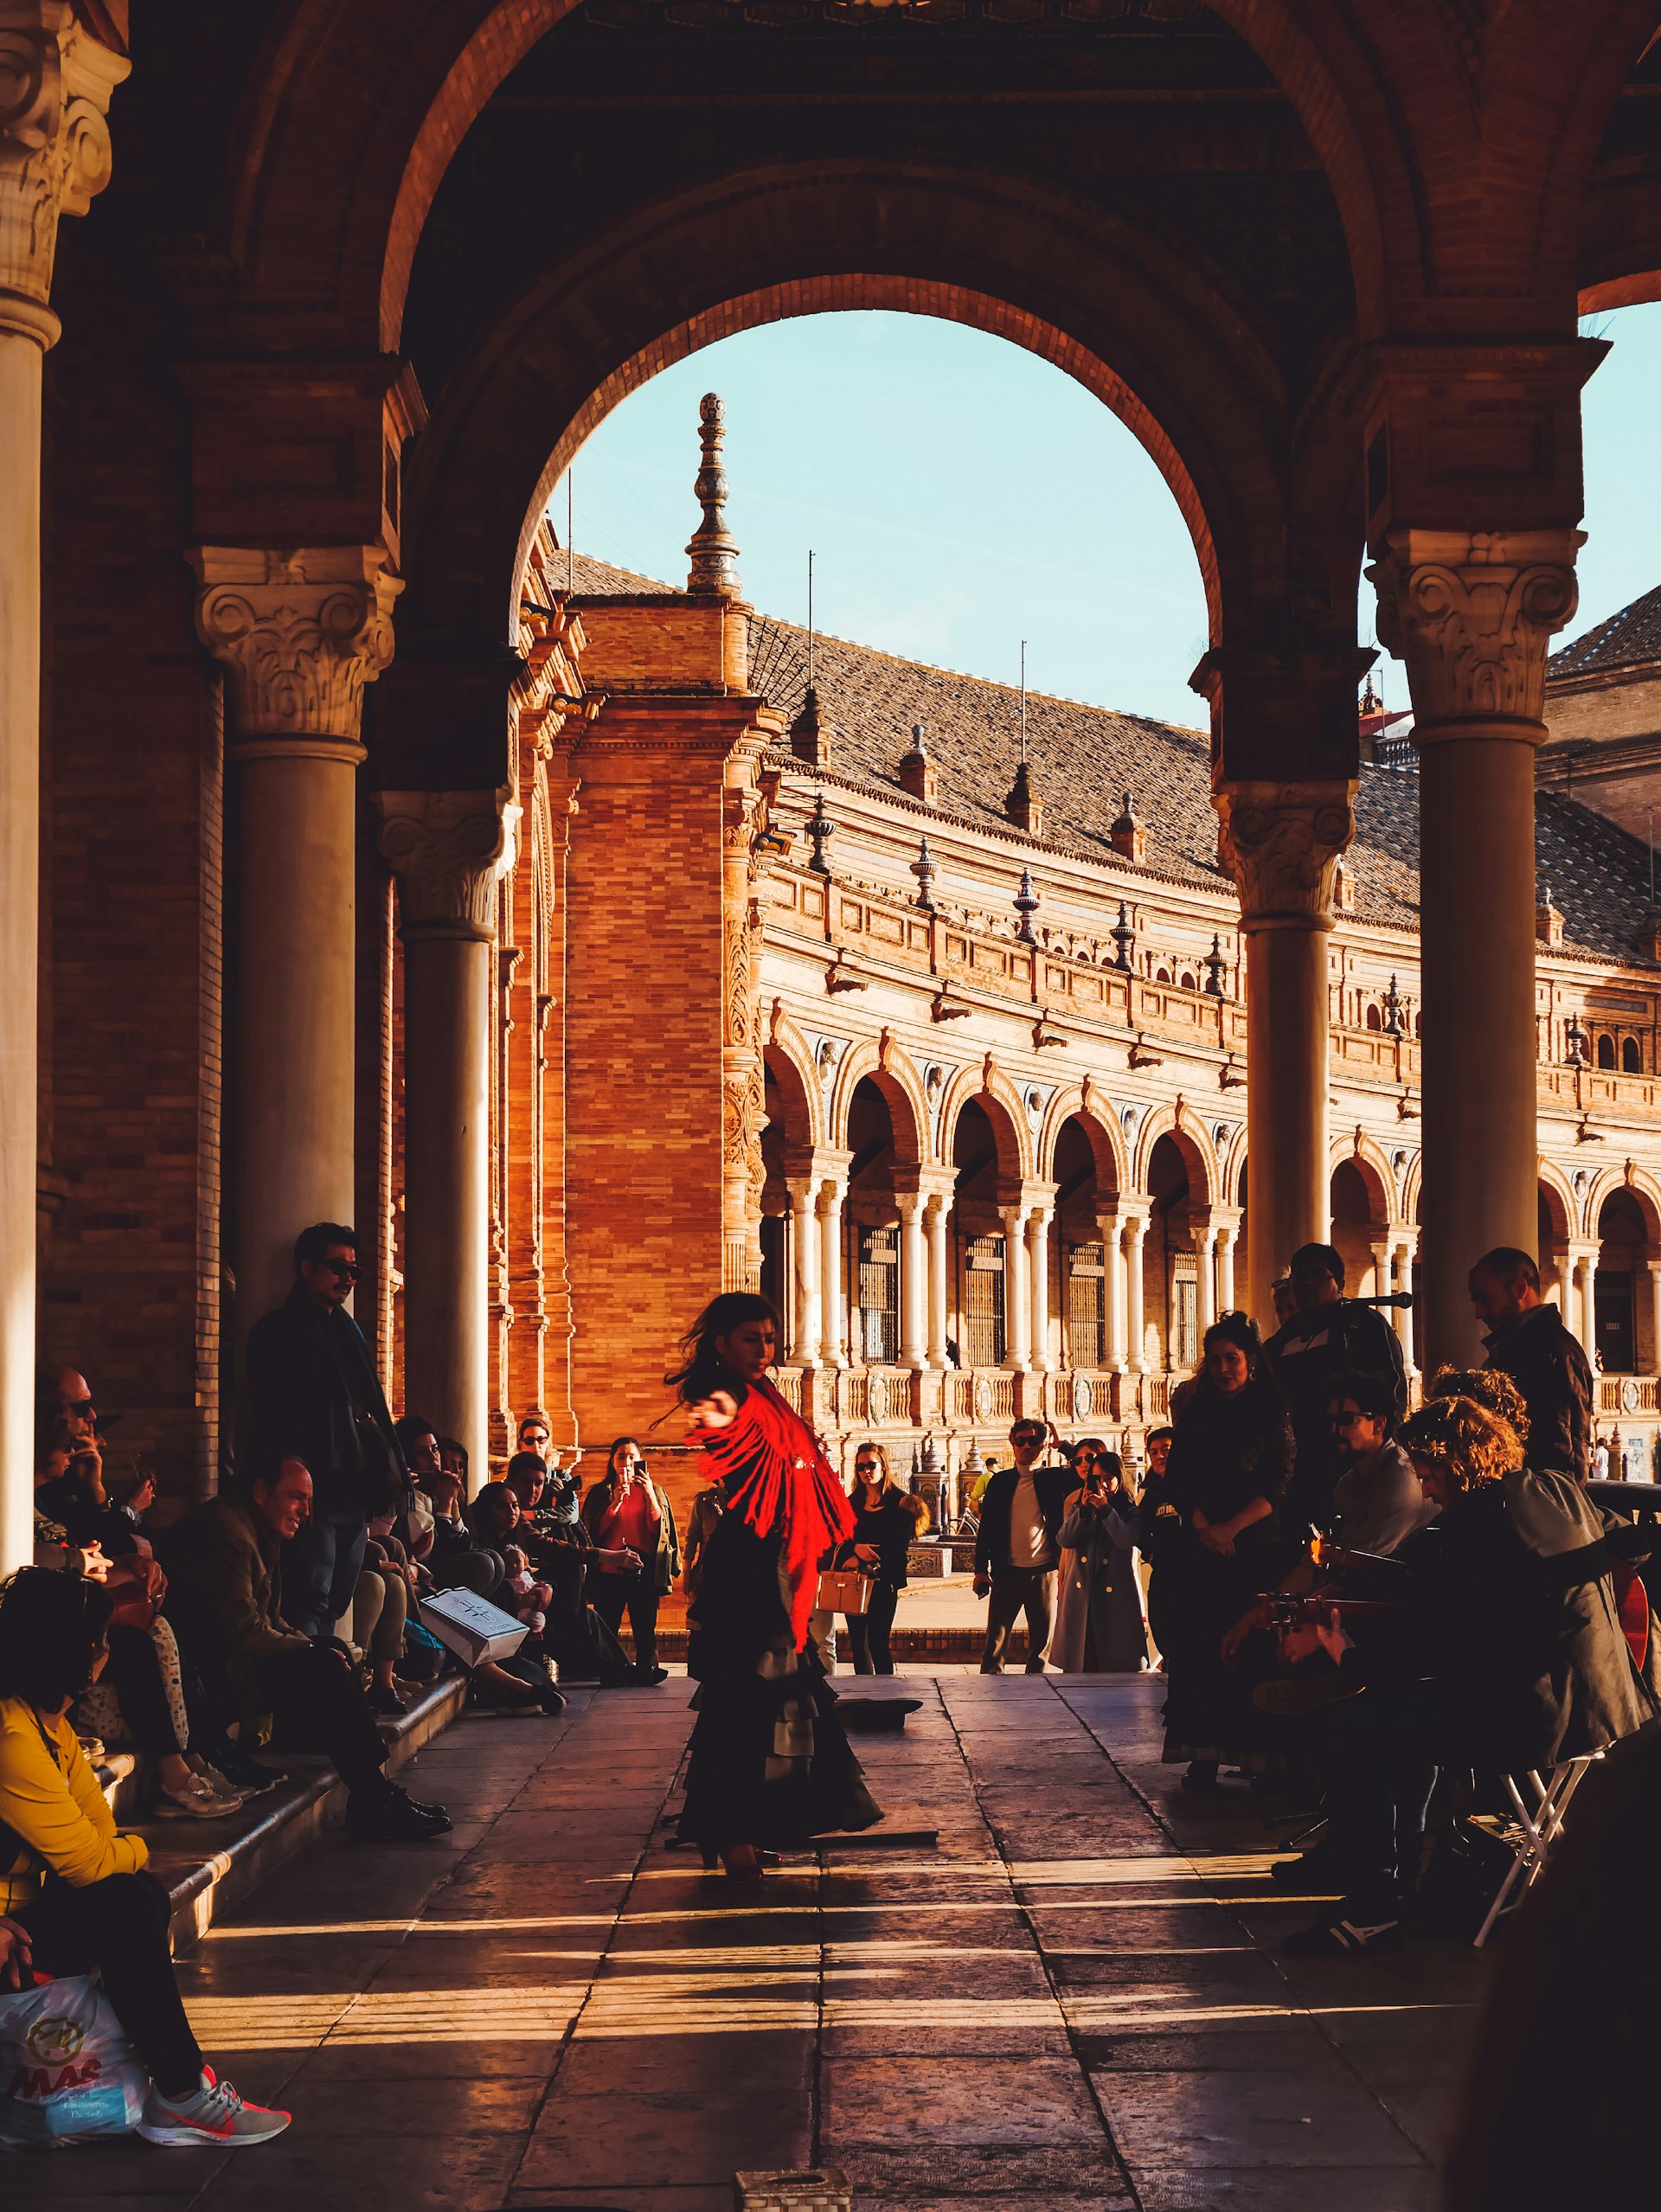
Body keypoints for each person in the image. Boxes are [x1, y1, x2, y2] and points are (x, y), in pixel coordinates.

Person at [0, 1568, 291, 2145]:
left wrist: (122, 1852)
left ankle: (176, 2086)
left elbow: (97, 1828)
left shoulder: (46, 1726)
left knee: (137, 1897)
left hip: (18, 1926)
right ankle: (183, 2092)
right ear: (72, 1652)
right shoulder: (10, 1736)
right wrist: (136, 1849)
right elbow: (89, 1858)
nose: (108, 1651)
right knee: (127, 1901)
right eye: (99, 1639)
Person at [673, 1292, 881, 1876]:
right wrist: (725, 1428)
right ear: (721, 1343)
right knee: (745, 1703)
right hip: (746, 1569)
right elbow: (708, 1424)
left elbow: (799, 1473)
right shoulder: (725, 1394)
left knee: (773, 1702)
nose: (763, 1349)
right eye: (749, 1338)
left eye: (768, 1337)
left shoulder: (768, 1396)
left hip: (775, 1565)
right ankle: (731, 1833)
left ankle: (742, 1828)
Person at [162, 1454, 452, 1842]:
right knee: (323, 1665)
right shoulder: (227, 1532)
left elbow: (273, 1621)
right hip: (208, 1681)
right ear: (262, 1492)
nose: (307, 1512)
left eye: (310, 1501)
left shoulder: (257, 1528)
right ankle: (373, 1799)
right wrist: (309, 1652)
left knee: (331, 1650)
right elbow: (245, 1632)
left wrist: (313, 1646)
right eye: (297, 1497)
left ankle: (374, 1792)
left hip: (234, 1665)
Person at [244, 1222, 407, 1638]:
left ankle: (324, 1679)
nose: (348, 1278)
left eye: (354, 1271)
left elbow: (372, 1407)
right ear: (305, 1268)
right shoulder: (279, 1331)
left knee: (336, 1596)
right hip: (313, 1492)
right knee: (308, 1595)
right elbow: (270, 1413)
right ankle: (312, 1688)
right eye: (337, 1268)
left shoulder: (348, 1330)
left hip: (353, 1489)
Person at [1159, 1312, 1292, 1791]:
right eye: (1214, 1361)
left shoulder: (1272, 1409)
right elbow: (1179, 1478)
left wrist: (1231, 1527)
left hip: (1255, 1544)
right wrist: (1205, 1528)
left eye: (1231, 1359)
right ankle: (1204, 1754)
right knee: (1201, 1649)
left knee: (1249, 1649)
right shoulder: (1196, 1413)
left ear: (1250, 1361)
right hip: (1203, 1545)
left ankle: (1256, 1755)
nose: (1222, 1369)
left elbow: (1280, 1480)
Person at [1262, 1242, 1407, 1536]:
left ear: (1340, 1283)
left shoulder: (1364, 1326)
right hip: (1294, 1468)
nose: (1307, 1283)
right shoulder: (1283, 1339)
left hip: (1346, 1465)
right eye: (1300, 1276)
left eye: (1318, 1275)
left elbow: (1390, 1399)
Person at [1470, 1245, 1594, 1483]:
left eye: (1485, 1299)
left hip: (1538, 1506)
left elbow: (1561, 1456)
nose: (1478, 1312)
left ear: (1519, 1289)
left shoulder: (1553, 1353)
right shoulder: (1517, 1348)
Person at [972, 1418, 1074, 1674]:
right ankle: (989, 1696)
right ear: (1013, 1444)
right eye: (1021, 1441)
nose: (1027, 1447)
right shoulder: (1000, 1482)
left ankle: (1037, 1700)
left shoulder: (1056, 1478)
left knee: (1042, 1648)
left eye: (1033, 1441)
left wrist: (1063, 1446)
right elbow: (987, 1528)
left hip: (1045, 1572)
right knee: (994, 1645)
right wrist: (980, 1569)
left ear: (1043, 1445)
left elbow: (1092, 1467)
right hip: (1006, 1572)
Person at [580, 1438, 680, 1675]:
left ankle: (648, 1670)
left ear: (640, 1461)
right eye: (621, 1456)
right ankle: (611, 1671)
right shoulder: (600, 1492)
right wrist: (614, 1503)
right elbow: (593, 1533)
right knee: (608, 1626)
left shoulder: (654, 1491)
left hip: (642, 1570)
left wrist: (649, 1496)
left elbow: (658, 1532)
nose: (626, 1462)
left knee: (645, 1628)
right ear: (612, 1461)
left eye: (632, 1457)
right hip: (609, 1570)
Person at [1052, 1439, 1148, 1673]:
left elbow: (1125, 1540)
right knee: (1081, 1659)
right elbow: (1064, 1540)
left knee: (1113, 1661)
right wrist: (1084, 1511)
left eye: (1108, 1478)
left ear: (1118, 1478)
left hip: (1113, 1596)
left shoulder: (1129, 1510)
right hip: (1082, 1595)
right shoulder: (1078, 1508)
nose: (1102, 1485)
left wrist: (1106, 1510)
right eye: (1096, 1479)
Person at [838, 1440, 927, 1675]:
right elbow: (840, 1537)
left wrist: (863, 1559)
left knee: (878, 1642)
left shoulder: (902, 1504)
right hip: (855, 1583)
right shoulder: (851, 1503)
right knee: (858, 1644)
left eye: (871, 1465)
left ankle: (886, 1695)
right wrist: (854, 1549)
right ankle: (864, 1696)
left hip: (883, 1582)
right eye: (860, 1467)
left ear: (884, 1467)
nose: (866, 1471)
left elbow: (897, 1547)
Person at [1135, 1424, 1177, 1664]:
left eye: (1166, 1449)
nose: (1160, 1455)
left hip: (1194, 1574)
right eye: (1154, 1452)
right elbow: (1139, 1530)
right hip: (1163, 1574)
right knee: (1163, 1631)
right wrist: (1150, 1552)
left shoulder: (1199, 1486)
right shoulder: (1152, 1495)